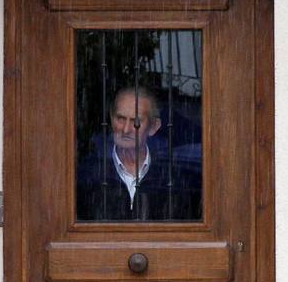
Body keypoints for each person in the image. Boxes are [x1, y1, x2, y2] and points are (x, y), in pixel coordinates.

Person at [75, 85, 201, 221]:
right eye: (120, 118)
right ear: (111, 119)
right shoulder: (87, 175)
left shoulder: (174, 180)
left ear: (153, 127)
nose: (126, 129)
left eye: (136, 121)